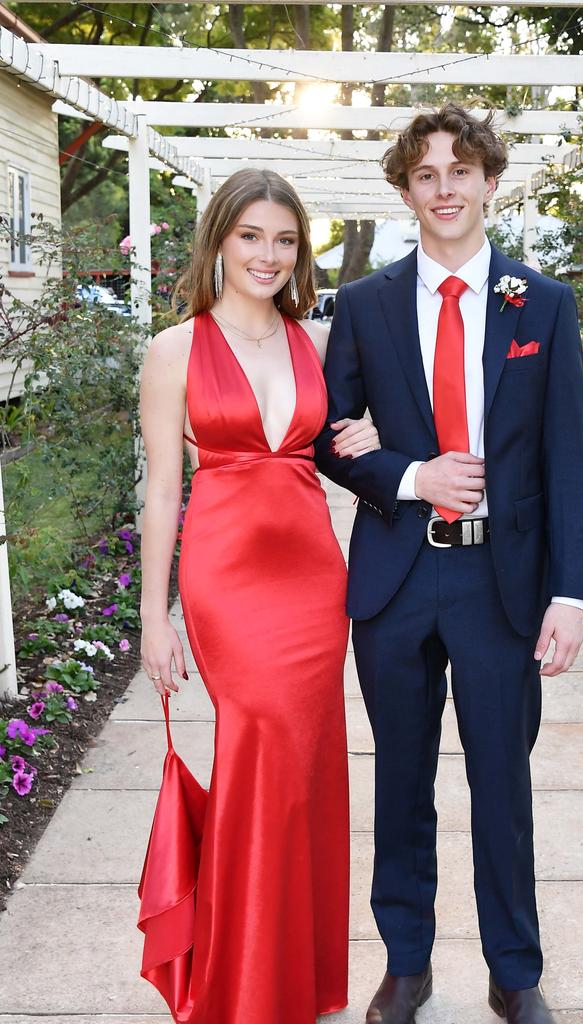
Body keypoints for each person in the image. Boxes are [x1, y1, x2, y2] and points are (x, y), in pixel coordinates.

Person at [314, 105, 583, 1024]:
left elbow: (565, 457)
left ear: (488, 184)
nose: (445, 189)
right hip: (395, 581)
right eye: (426, 174)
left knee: (501, 789)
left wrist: (569, 593)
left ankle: (515, 972)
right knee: (400, 784)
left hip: (500, 587)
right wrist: (409, 472)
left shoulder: (541, 305)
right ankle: (406, 962)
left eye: (461, 171)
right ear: (405, 190)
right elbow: (331, 439)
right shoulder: (361, 306)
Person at [138, 167, 380, 1024]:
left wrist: (369, 433)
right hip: (228, 578)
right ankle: (242, 984)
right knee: (259, 745)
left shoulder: (318, 341)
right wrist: (152, 615)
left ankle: (295, 976)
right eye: (251, 236)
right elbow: (164, 490)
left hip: (315, 576)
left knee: (307, 764)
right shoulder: (174, 350)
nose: (269, 255)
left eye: (285, 239)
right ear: (219, 241)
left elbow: (344, 445)